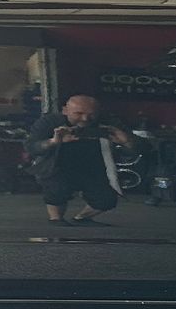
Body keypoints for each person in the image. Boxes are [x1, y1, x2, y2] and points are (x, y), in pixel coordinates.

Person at [27, 93, 132, 224]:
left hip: (93, 167)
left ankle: (82, 218)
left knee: (107, 199)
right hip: (57, 166)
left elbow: (140, 148)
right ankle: (56, 218)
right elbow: (31, 147)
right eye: (78, 113)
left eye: (91, 114)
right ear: (65, 110)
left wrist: (127, 142)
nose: (85, 118)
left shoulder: (109, 123)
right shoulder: (49, 122)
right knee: (56, 188)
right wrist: (53, 141)